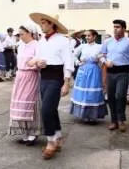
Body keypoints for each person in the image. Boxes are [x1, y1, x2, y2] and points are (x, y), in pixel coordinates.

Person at [30, 13, 74, 159]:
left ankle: (50, 141)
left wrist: (66, 83)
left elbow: (68, 61)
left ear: (51, 24)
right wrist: (37, 62)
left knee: (46, 110)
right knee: (52, 109)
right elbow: (39, 57)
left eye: (43, 22)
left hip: (56, 78)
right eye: (40, 22)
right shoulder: (42, 40)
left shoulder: (62, 40)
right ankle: (58, 137)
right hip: (44, 77)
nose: (41, 25)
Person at [100, 19, 129, 132]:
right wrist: (105, 61)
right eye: (114, 27)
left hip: (123, 72)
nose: (115, 29)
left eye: (117, 27)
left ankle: (121, 120)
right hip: (111, 72)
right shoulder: (108, 42)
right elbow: (102, 55)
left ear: (123, 29)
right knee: (111, 97)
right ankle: (114, 121)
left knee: (120, 95)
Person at [9, 24, 42, 146]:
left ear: (30, 33)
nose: (20, 36)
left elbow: (40, 61)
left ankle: (33, 133)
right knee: (19, 104)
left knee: (30, 104)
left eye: (22, 34)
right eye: (19, 34)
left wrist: (33, 64)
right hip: (20, 76)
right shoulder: (21, 45)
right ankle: (25, 132)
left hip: (30, 76)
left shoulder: (37, 45)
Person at [70, 29, 108, 122]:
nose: (87, 37)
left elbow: (102, 57)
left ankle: (92, 115)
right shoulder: (82, 46)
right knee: (83, 93)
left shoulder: (99, 47)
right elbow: (73, 54)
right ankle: (83, 115)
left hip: (94, 71)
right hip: (83, 70)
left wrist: (105, 62)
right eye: (86, 36)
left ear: (94, 36)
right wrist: (78, 62)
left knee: (92, 92)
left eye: (89, 35)